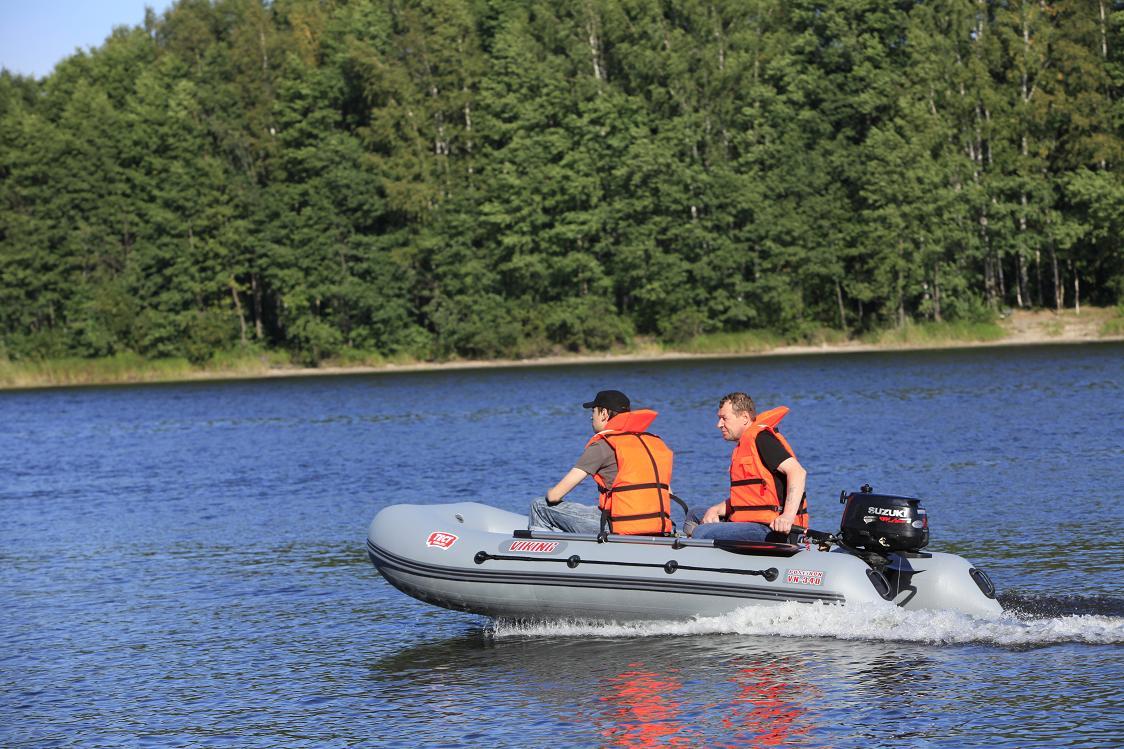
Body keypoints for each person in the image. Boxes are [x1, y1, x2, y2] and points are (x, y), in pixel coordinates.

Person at [528, 390, 675, 536]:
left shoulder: (603, 445)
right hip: (658, 525)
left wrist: (549, 491)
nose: (591, 418)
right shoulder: (652, 443)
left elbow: (555, 496)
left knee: (539, 506)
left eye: (593, 412)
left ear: (604, 413)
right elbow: (667, 493)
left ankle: (540, 556)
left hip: (616, 526)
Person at [687, 392, 809, 542]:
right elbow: (748, 499)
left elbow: (797, 472)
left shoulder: (761, 439)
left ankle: (692, 558)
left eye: (724, 418)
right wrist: (715, 510)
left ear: (744, 418)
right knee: (695, 514)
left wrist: (787, 516)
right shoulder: (746, 443)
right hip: (751, 521)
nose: (719, 424)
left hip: (771, 528)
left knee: (702, 532)